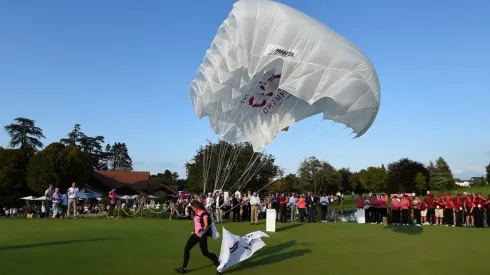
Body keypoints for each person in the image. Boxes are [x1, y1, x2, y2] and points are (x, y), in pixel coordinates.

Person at [175, 200, 220, 274]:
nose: (193, 209)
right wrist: (194, 230)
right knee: (186, 249)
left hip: (202, 235)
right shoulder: (197, 213)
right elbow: (197, 223)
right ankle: (183, 268)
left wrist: (201, 232)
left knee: (205, 253)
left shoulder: (204, 213)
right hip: (195, 235)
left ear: (197, 206)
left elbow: (206, 225)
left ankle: (218, 265)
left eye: (193, 207)